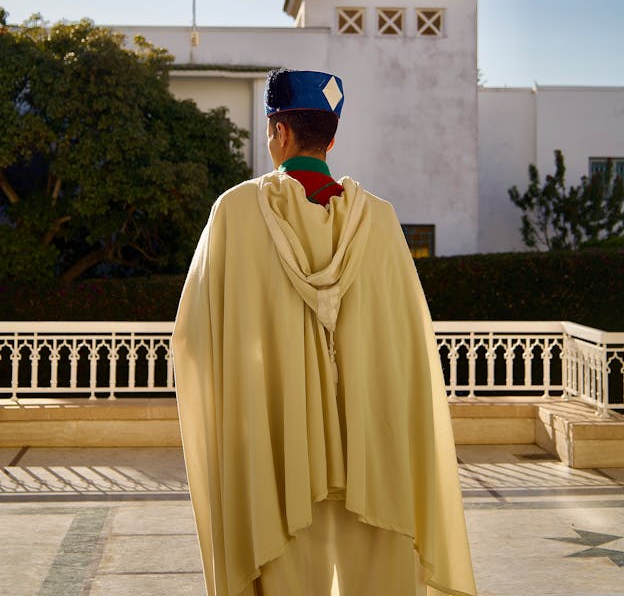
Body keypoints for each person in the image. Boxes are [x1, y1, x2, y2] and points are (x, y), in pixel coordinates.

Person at [172, 68, 477, 596]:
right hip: (374, 452)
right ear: (331, 138)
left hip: (279, 461)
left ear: (279, 133)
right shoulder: (380, 221)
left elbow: (194, 343)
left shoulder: (236, 213)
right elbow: (407, 344)